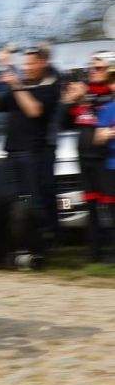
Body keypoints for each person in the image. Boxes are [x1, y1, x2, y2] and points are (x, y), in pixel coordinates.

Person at [0, 46, 61, 264]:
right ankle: (20, 248)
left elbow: (34, 110)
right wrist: (0, 71)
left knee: (34, 203)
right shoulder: (19, 88)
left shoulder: (49, 88)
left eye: (31, 63)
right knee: (15, 203)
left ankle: (42, 250)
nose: (26, 67)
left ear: (42, 63)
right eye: (25, 64)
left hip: (32, 155)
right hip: (11, 152)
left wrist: (16, 84)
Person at [61, 52, 113, 259]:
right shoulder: (83, 93)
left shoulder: (109, 94)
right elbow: (63, 121)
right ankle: (95, 251)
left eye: (98, 68)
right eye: (91, 68)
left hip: (106, 158)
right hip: (84, 159)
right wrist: (69, 100)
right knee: (90, 206)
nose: (93, 72)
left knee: (109, 205)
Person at [92, 69, 115, 260]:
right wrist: (107, 133)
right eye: (112, 81)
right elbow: (98, 138)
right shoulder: (107, 109)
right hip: (111, 165)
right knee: (111, 211)